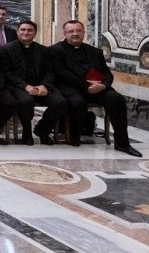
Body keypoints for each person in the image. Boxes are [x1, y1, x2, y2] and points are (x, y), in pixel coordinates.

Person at [50, 20, 141, 156]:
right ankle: (74, 137)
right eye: (71, 31)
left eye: (78, 31)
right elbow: (62, 74)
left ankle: (122, 143)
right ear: (65, 33)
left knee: (116, 99)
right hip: (72, 88)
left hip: (97, 88)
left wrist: (103, 85)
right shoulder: (55, 51)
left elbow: (107, 73)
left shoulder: (95, 51)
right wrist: (87, 86)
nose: (75, 34)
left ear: (83, 32)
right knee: (78, 102)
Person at [3, 20, 66, 146]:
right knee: (26, 101)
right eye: (23, 30)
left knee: (60, 102)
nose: (26, 32)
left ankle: (43, 130)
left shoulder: (44, 50)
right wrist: (26, 86)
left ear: (35, 33)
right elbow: (7, 73)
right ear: (17, 32)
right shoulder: (6, 49)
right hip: (18, 87)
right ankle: (26, 132)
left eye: (30, 30)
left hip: (41, 86)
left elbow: (50, 72)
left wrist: (44, 85)